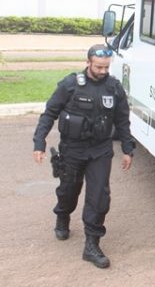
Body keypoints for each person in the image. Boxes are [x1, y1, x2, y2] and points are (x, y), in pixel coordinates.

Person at [32, 44, 135, 269]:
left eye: (106, 67)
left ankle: (91, 245)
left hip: (100, 149)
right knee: (68, 190)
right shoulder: (70, 85)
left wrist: (128, 149)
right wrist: (39, 143)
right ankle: (63, 215)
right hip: (73, 148)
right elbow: (49, 113)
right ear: (88, 63)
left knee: (99, 196)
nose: (103, 71)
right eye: (98, 67)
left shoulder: (114, 87)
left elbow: (122, 120)